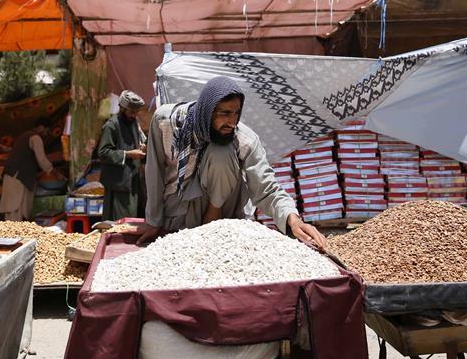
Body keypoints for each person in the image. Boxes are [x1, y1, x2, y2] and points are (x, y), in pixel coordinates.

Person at [136, 76, 326, 248]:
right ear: (207, 110)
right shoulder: (165, 122)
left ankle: (214, 218)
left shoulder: (244, 140)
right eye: (225, 113)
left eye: (236, 113)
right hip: (179, 211)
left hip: (224, 214)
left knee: (221, 152)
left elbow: (266, 186)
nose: (232, 122)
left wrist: (292, 219)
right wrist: (153, 221)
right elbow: (155, 172)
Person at [97, 90, 147, 221]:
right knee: (120, 221)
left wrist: (142, 147)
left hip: (133, 180)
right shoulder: (111, 125)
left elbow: (139, 141)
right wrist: (128, 154)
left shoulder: (134, 123)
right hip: (118, 182)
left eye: (136, 112)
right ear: (122, 108)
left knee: (133, 218)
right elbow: (103, 152)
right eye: (131, 112)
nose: (133, 115)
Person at [0, 125, 62, 221]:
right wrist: (56, 174)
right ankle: (14, 235)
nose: (47, 133)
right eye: (47, 129)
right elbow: (42, 161)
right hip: (18, 178)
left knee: (12, 212)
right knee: (16, 210)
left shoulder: (24, 136)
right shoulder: (35, 138)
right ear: (41, 127)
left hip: (13, 176)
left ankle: (13, 234)